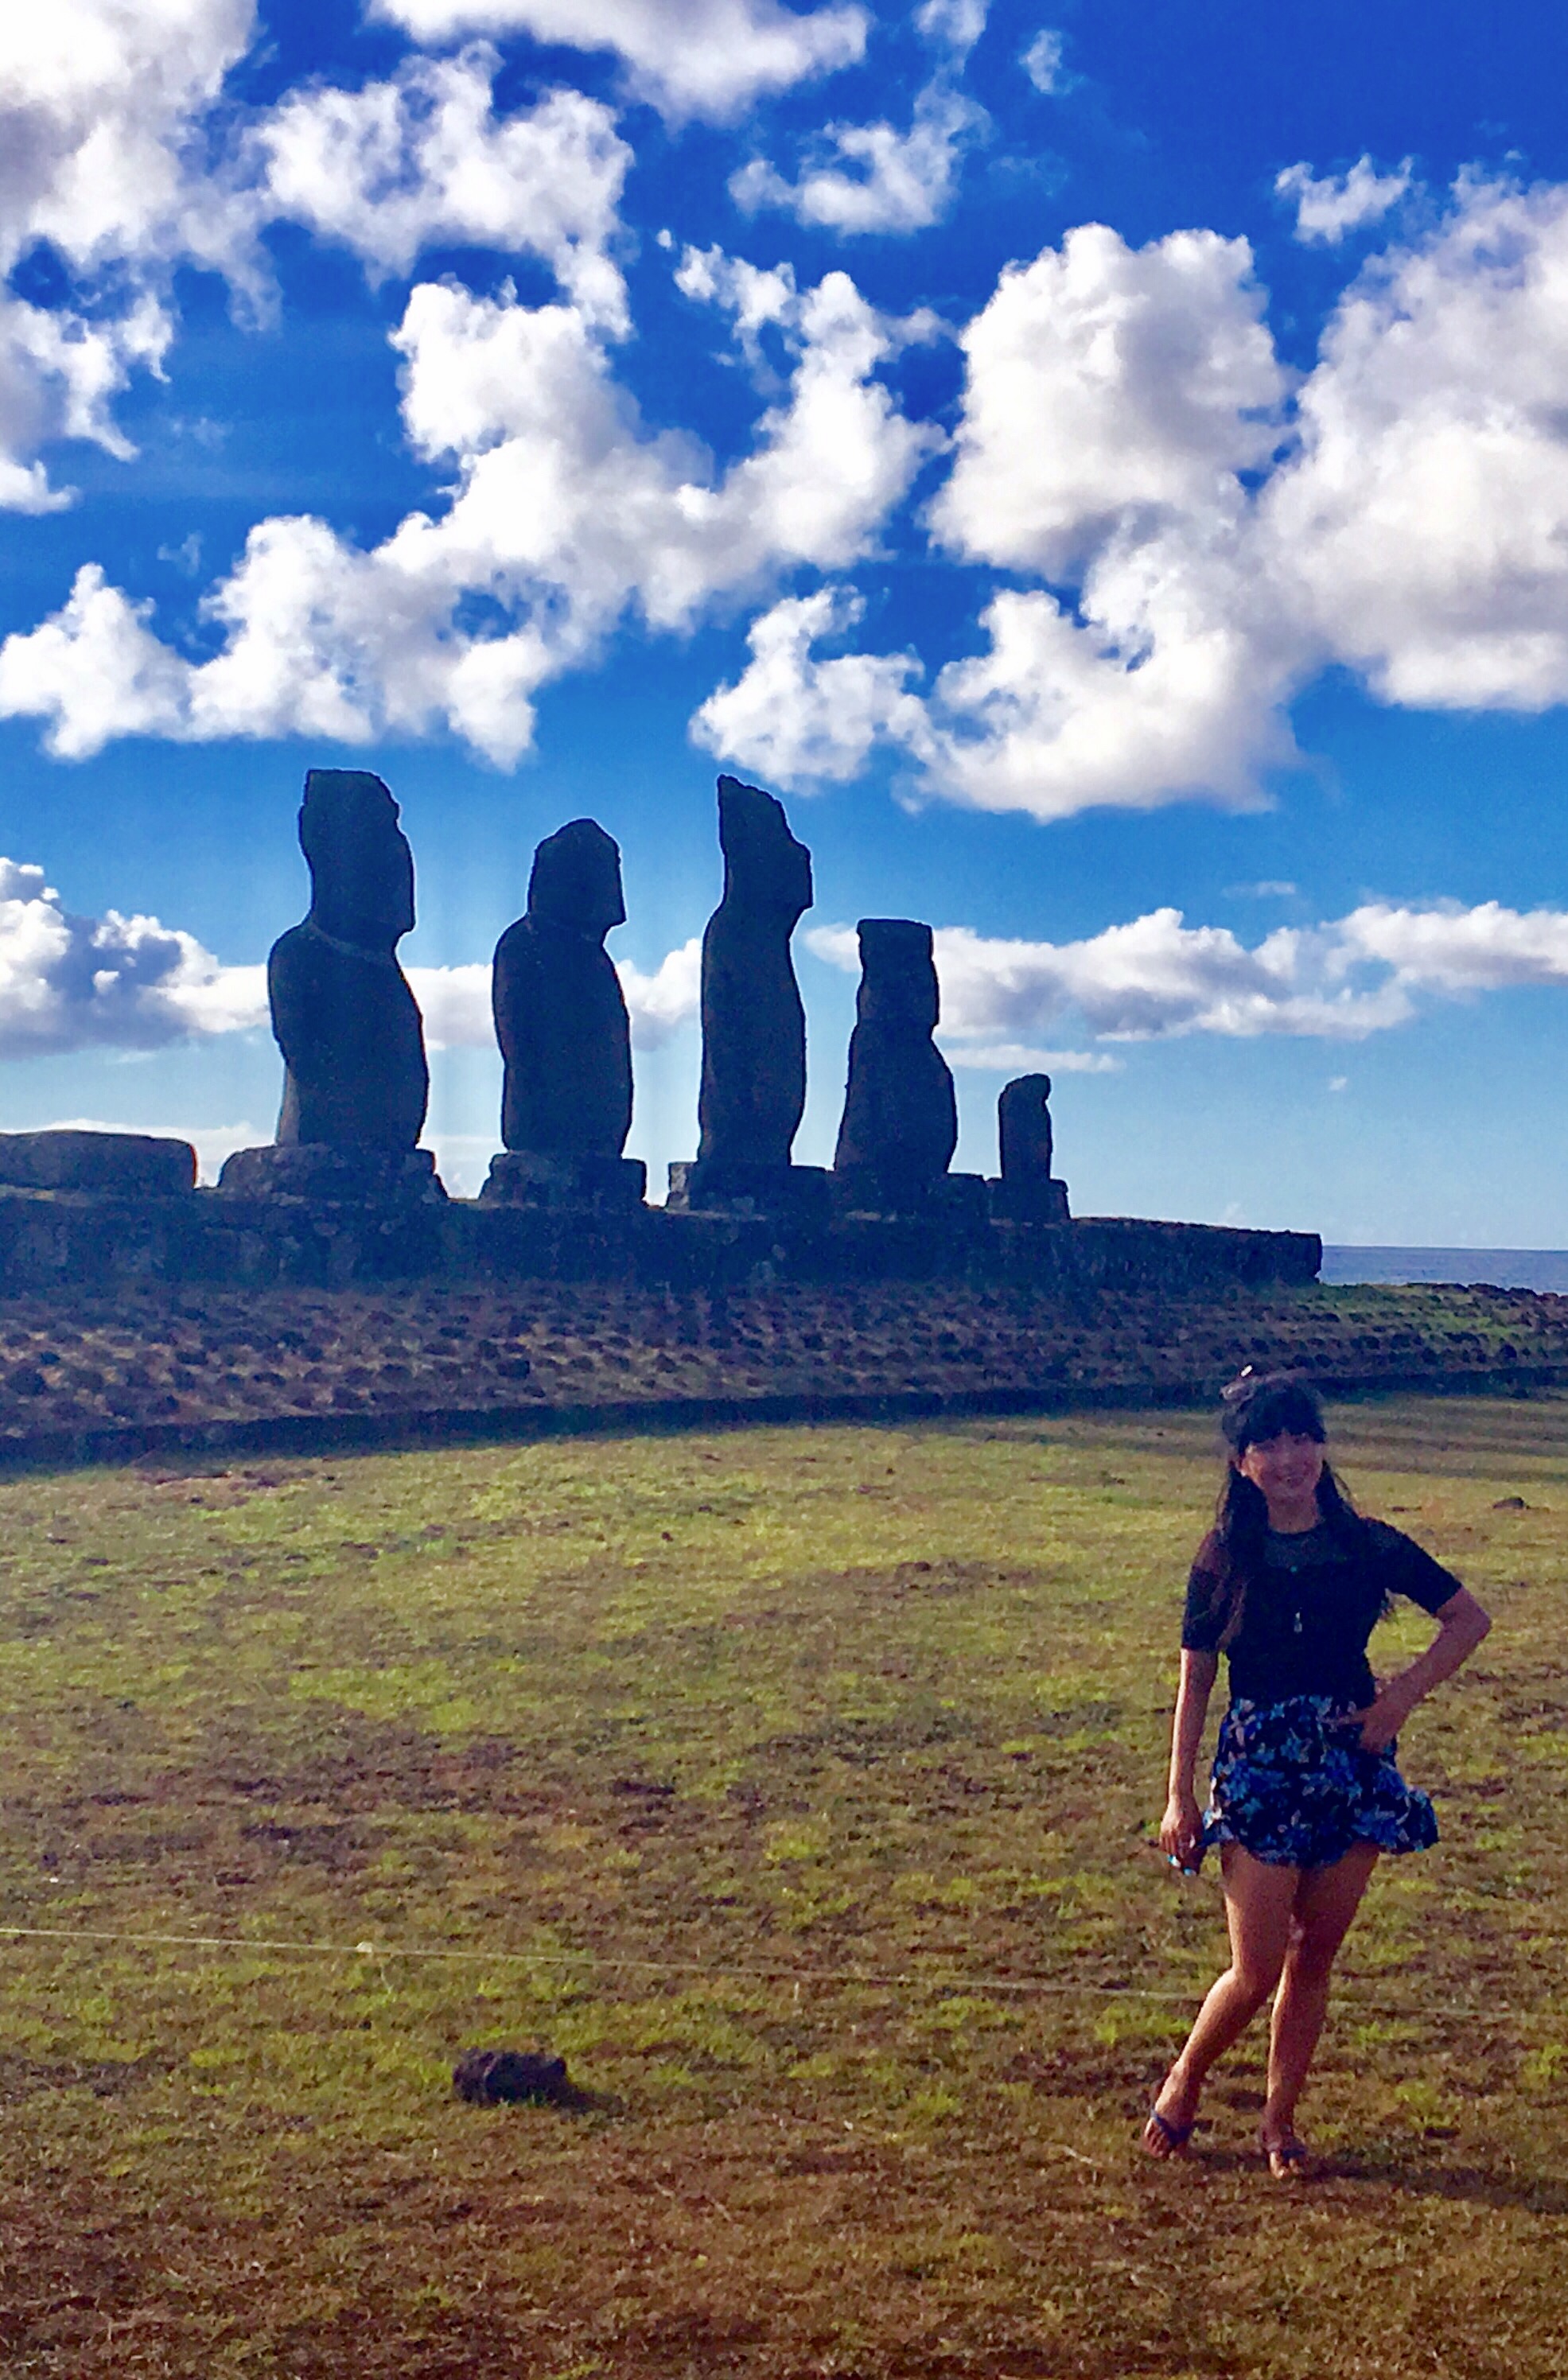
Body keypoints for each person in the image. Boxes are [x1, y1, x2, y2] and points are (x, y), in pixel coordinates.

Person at [1143, 1371, 1491, 2177]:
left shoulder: (1367, 1543)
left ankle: (1280, 2121)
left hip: (1351, 1759)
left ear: (1323, 1446)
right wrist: (1179, 1796)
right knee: (1256, 1966)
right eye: (1268, 1442)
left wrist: (1398, 1698)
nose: (1290, 1455)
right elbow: (1195, 1678)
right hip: (1261, 1764)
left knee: (1315, 1954)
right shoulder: (1225, 1556)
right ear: (1240, 1462)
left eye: (1303, 1437)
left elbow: (1468, 1618)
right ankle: (1186, 2077)